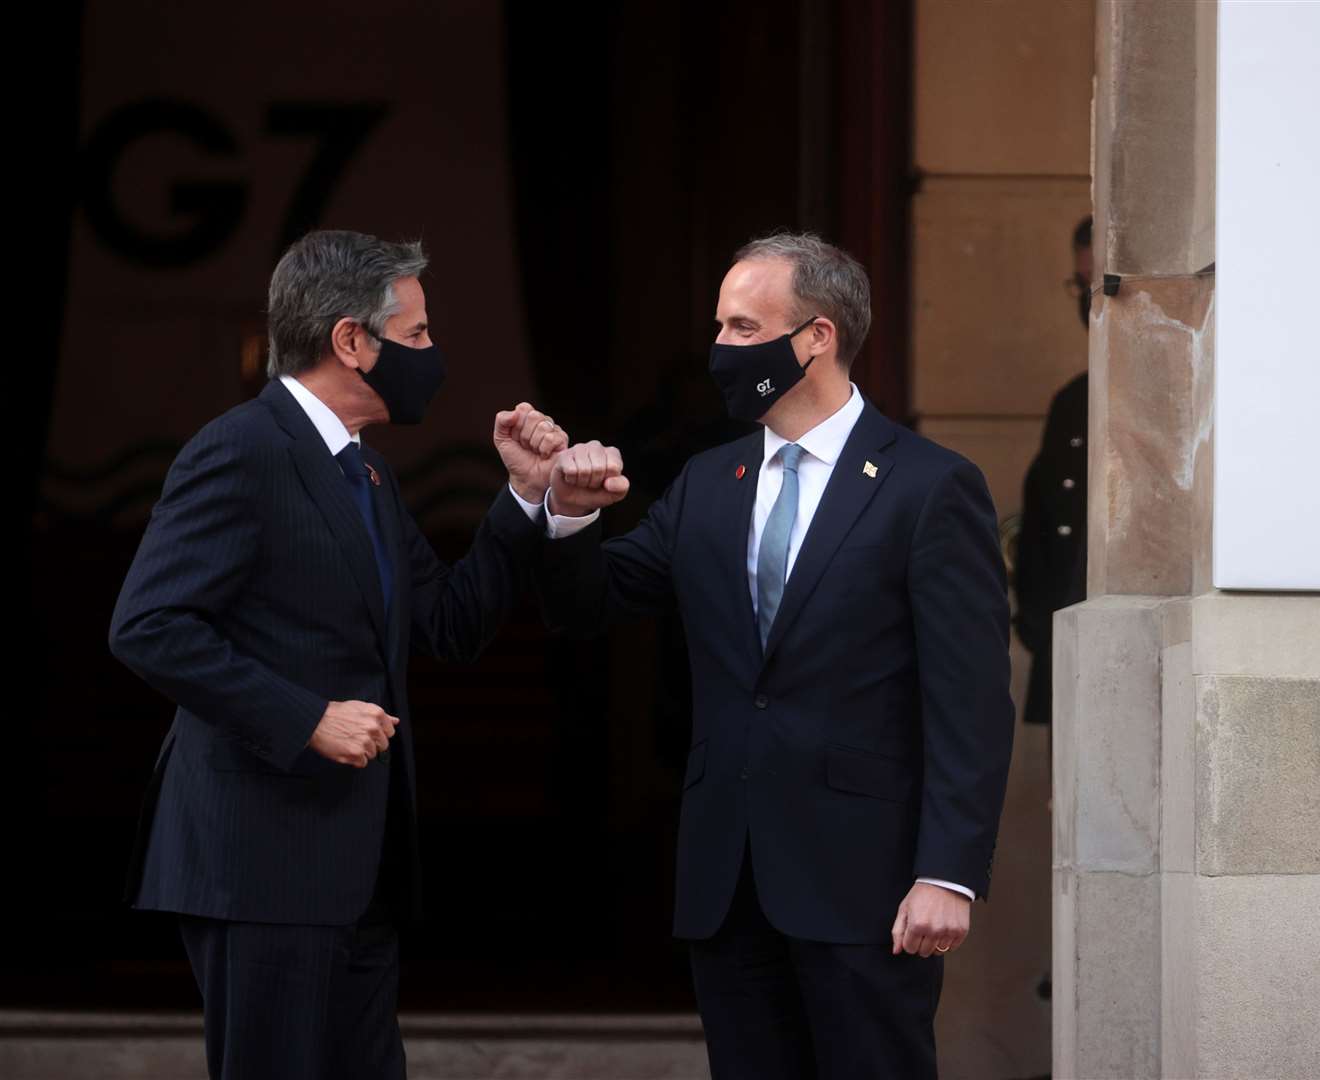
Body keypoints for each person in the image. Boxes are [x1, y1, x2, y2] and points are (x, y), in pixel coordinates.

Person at [537, 232, 1015, 1078]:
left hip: (866, 885)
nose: (719, 349)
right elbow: (590, 605)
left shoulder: (927, 486)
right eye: (718, 327)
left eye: (742, 327)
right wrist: (569, 515)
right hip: (729, 883)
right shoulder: (705, 483)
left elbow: (969, 701)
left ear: (817, 338)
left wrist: (947, 872)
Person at [108, 230, 568, 1079]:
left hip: (356, 869)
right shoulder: (241, 448)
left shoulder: (366, 476)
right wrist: (305, 717)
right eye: (418, 335)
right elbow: (148, 625)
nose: (433, 356)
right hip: (259, 861)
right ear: (353, 341)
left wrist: (522, 496)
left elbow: (449, 626)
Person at [1015, 214, 1093, 732]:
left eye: (1097, 284)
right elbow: (1041, 522)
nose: (1089, 301)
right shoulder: (1072, 403)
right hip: (1066, 659)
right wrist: (1043, 631)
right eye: (1081, 286)